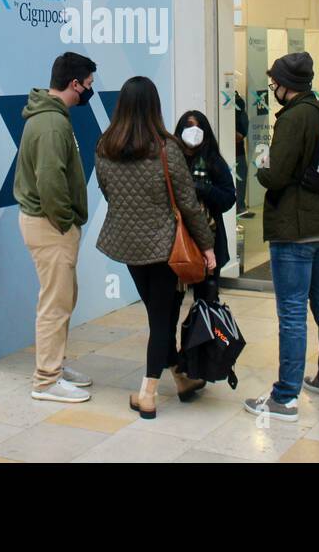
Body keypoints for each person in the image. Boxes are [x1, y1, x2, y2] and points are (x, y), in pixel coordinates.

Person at [96, 76, 215, 419]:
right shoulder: (167, 148)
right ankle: (148, 393)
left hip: (127, 243)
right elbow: (187, 203)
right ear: (154, 106)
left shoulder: (105, 146)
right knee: (161, 319)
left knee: (156, 313)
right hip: (164, 246)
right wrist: (207, 246)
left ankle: (181, 378)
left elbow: (107, 191)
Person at [243, 51, 319, 423]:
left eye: (274, 82)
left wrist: (260, 161)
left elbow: (276, 176)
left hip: (295, 227)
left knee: (291, 313)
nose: (272, 87)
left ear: (287, 85)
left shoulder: (292, 118)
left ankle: (285, 397)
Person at [14, 52, 98, 404]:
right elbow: (50, 180)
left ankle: (55, 366)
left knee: (63, 298)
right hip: (50, 225)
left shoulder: (52, 117)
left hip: (49, 223)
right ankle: (46, 380)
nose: (90, 90)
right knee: (55, 303)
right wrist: (65, 222)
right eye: (88, 84)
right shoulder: (51, 124)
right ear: (74, 84)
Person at [174, 110, 236, 290]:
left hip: (210, 237)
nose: (193, 131)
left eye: (198, 127)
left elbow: (228, 198)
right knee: (172, 295)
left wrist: (204, 189)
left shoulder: (214, 161)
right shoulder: (172, 159)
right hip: (176, 236)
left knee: (206, 293)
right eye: (188, 126)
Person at [234, 92, 253, 219]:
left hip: (238, 151)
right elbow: (239, 135)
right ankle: (239, 207)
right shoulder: (237, 106)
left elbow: (240, 135)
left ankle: (240, 206)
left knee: (241, 178)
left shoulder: (238, 105)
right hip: (234, 151)